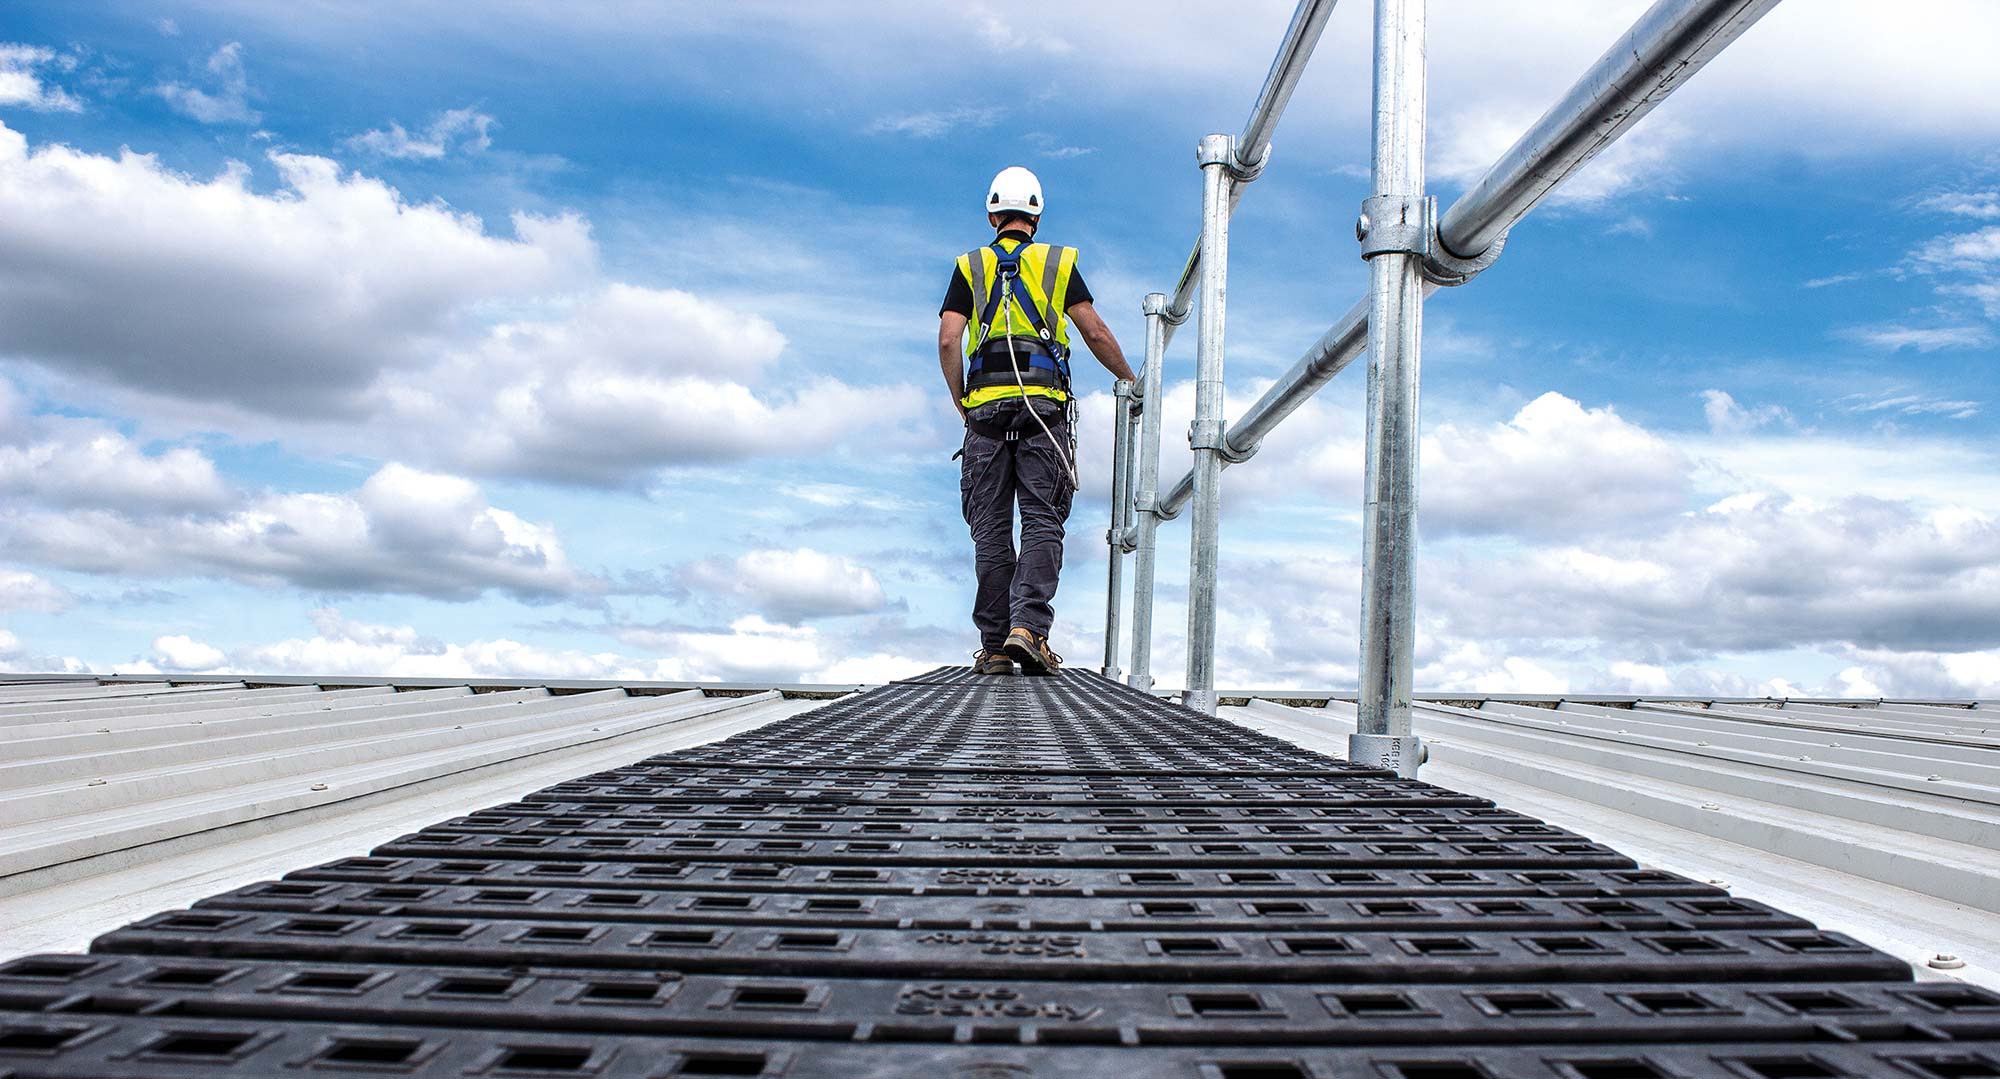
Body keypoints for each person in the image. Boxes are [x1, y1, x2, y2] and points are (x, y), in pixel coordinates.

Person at [937, 166, 1135, 676]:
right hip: (1043, 410)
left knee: (990, 530)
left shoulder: (970, 266)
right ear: (1037, 216)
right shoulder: (1057, 262)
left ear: (991, 214)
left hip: (983, 413)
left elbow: (947, 338)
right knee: (1043, 519)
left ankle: (997, 646)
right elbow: (1093, 330)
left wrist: (962, 399)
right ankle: (1029, 629)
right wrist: (1131, 379)